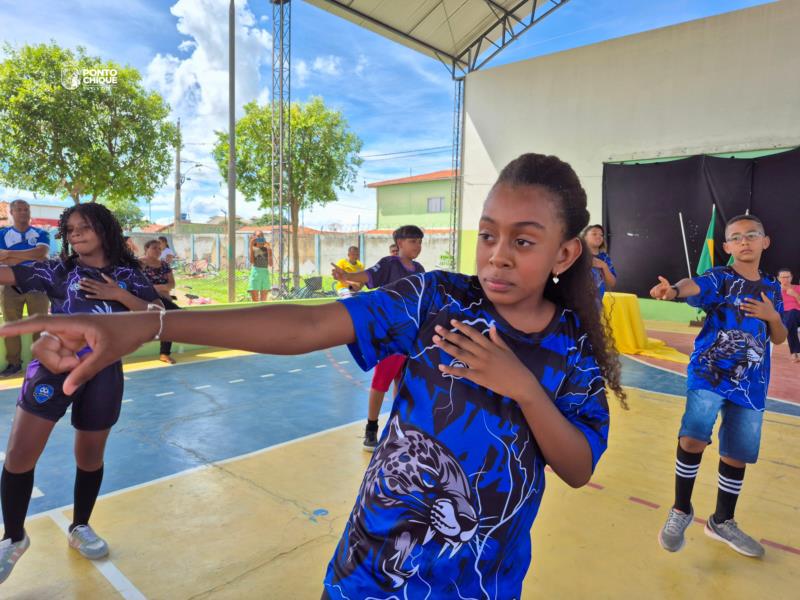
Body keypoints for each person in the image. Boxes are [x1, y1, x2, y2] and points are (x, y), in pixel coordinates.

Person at [0, 153, 624, 598]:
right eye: (487, 235)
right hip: (370, 567)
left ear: (565, 252)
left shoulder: (573, 351)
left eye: (523, 241)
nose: (497, 256)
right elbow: (307, 324)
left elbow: (577, 467)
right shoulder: (437, 300)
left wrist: (522, 387)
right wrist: (152, 324)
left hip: (478, 581)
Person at [0, 203, 161, 583]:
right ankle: (13, 537)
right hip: (53, 368)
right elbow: (6, 273)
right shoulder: (58, 269)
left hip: (105, 370)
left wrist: (119, 294)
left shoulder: (129, 274)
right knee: (20, 454)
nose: (75, 234)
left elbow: (158, 315)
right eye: (70, 228)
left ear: (104, 229)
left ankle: (80, 526)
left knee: (89, 457)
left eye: (84, 226)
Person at [650, 214, 786, 558]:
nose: (744, 241)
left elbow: (780, 337)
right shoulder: (720, 278)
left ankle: (722, 521)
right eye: (736, 237)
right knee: (693, 436)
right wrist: (674, 290)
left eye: (751, 235)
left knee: (736, 454)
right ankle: (681, 509)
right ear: (727, 246)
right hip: (709, 372)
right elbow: (694, 285)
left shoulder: (773, 289)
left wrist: (772, 316)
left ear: (765, 241)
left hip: (751, 383)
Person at [331, 225, 425, 451]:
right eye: (413, 241)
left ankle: (397, 424)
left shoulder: (420, 269)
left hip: (410, 336)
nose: (418, 246)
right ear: (400, 243)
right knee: (381, 382)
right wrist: (347, 276)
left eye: (420, 242)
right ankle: (371, 429)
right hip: (390, 335)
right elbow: (368, 275)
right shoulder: (390, 264)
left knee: (402, 382)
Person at [0, 199, 51, 377]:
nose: (24, 212)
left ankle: (41, 362)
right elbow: (1, 258)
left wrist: (10, 254)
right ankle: (14, 363)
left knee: (40, 325)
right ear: (11, 213)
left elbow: (41, 253)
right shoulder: (2, 234)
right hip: (10, 286)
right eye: (19, 209)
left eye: (26, 209)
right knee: (11, 326)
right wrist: (30, 256)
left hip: (37, 284)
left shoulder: (41, 233)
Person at [140, 239, 181, 364]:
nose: (158, 251)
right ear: (146, 249)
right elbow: (139, 285)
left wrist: (160, 289)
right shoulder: (139, 263)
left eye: (159, 248)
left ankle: (164, 354)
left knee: (170, 320)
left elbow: (172, 284)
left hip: (164, 299)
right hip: (145, 299)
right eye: (154, 248)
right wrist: (161, 289)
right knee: (176, 313)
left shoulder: (164, 265)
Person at [581, 224, 616, 300]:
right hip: (576, 301)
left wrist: (604, 266)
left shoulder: (605, 258)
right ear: (585, 237)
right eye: (594, 234)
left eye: (601, 235)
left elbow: (612, 283)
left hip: (597, 302)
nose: (599, 236)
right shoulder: (577, 255)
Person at [777, 268, 800, 362]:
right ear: (778, 278)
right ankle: (795, 353)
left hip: (797, 314)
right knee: (790, 320)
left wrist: (795, 294)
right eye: (783, 277)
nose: (785, 279)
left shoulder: (798, 288)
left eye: (787, 277)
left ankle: (795, 352)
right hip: (783, 316)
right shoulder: (775, 291)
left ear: (791, 278)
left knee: (792, 314)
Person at [248, 232, 273, 302]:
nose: (260, 238)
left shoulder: (267, 249)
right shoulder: (253, 248)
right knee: (255, 301)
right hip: (255, 273)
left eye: (262, 236)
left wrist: (269, 250)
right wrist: (251, 245)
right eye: (258, 236)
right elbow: (252, 261)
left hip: (264, 274)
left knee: (263, 301)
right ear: (254, 237)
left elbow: (270, 264)